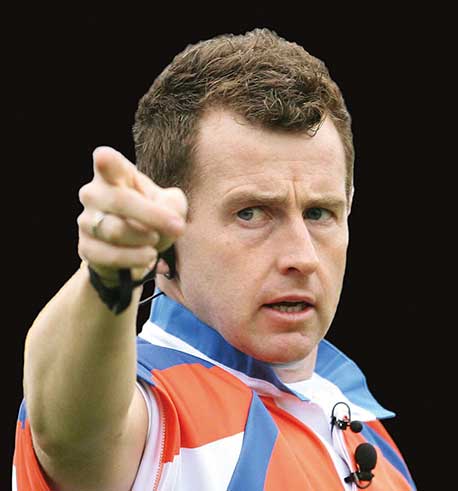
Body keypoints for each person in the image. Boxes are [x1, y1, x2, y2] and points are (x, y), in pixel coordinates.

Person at [12, 28, 416, 490]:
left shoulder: (368, 429)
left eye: (319, 213)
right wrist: (108, 275)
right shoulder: (149, 409)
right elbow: (67, 431)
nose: (302, 257)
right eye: (251, 213)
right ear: (164, 241)